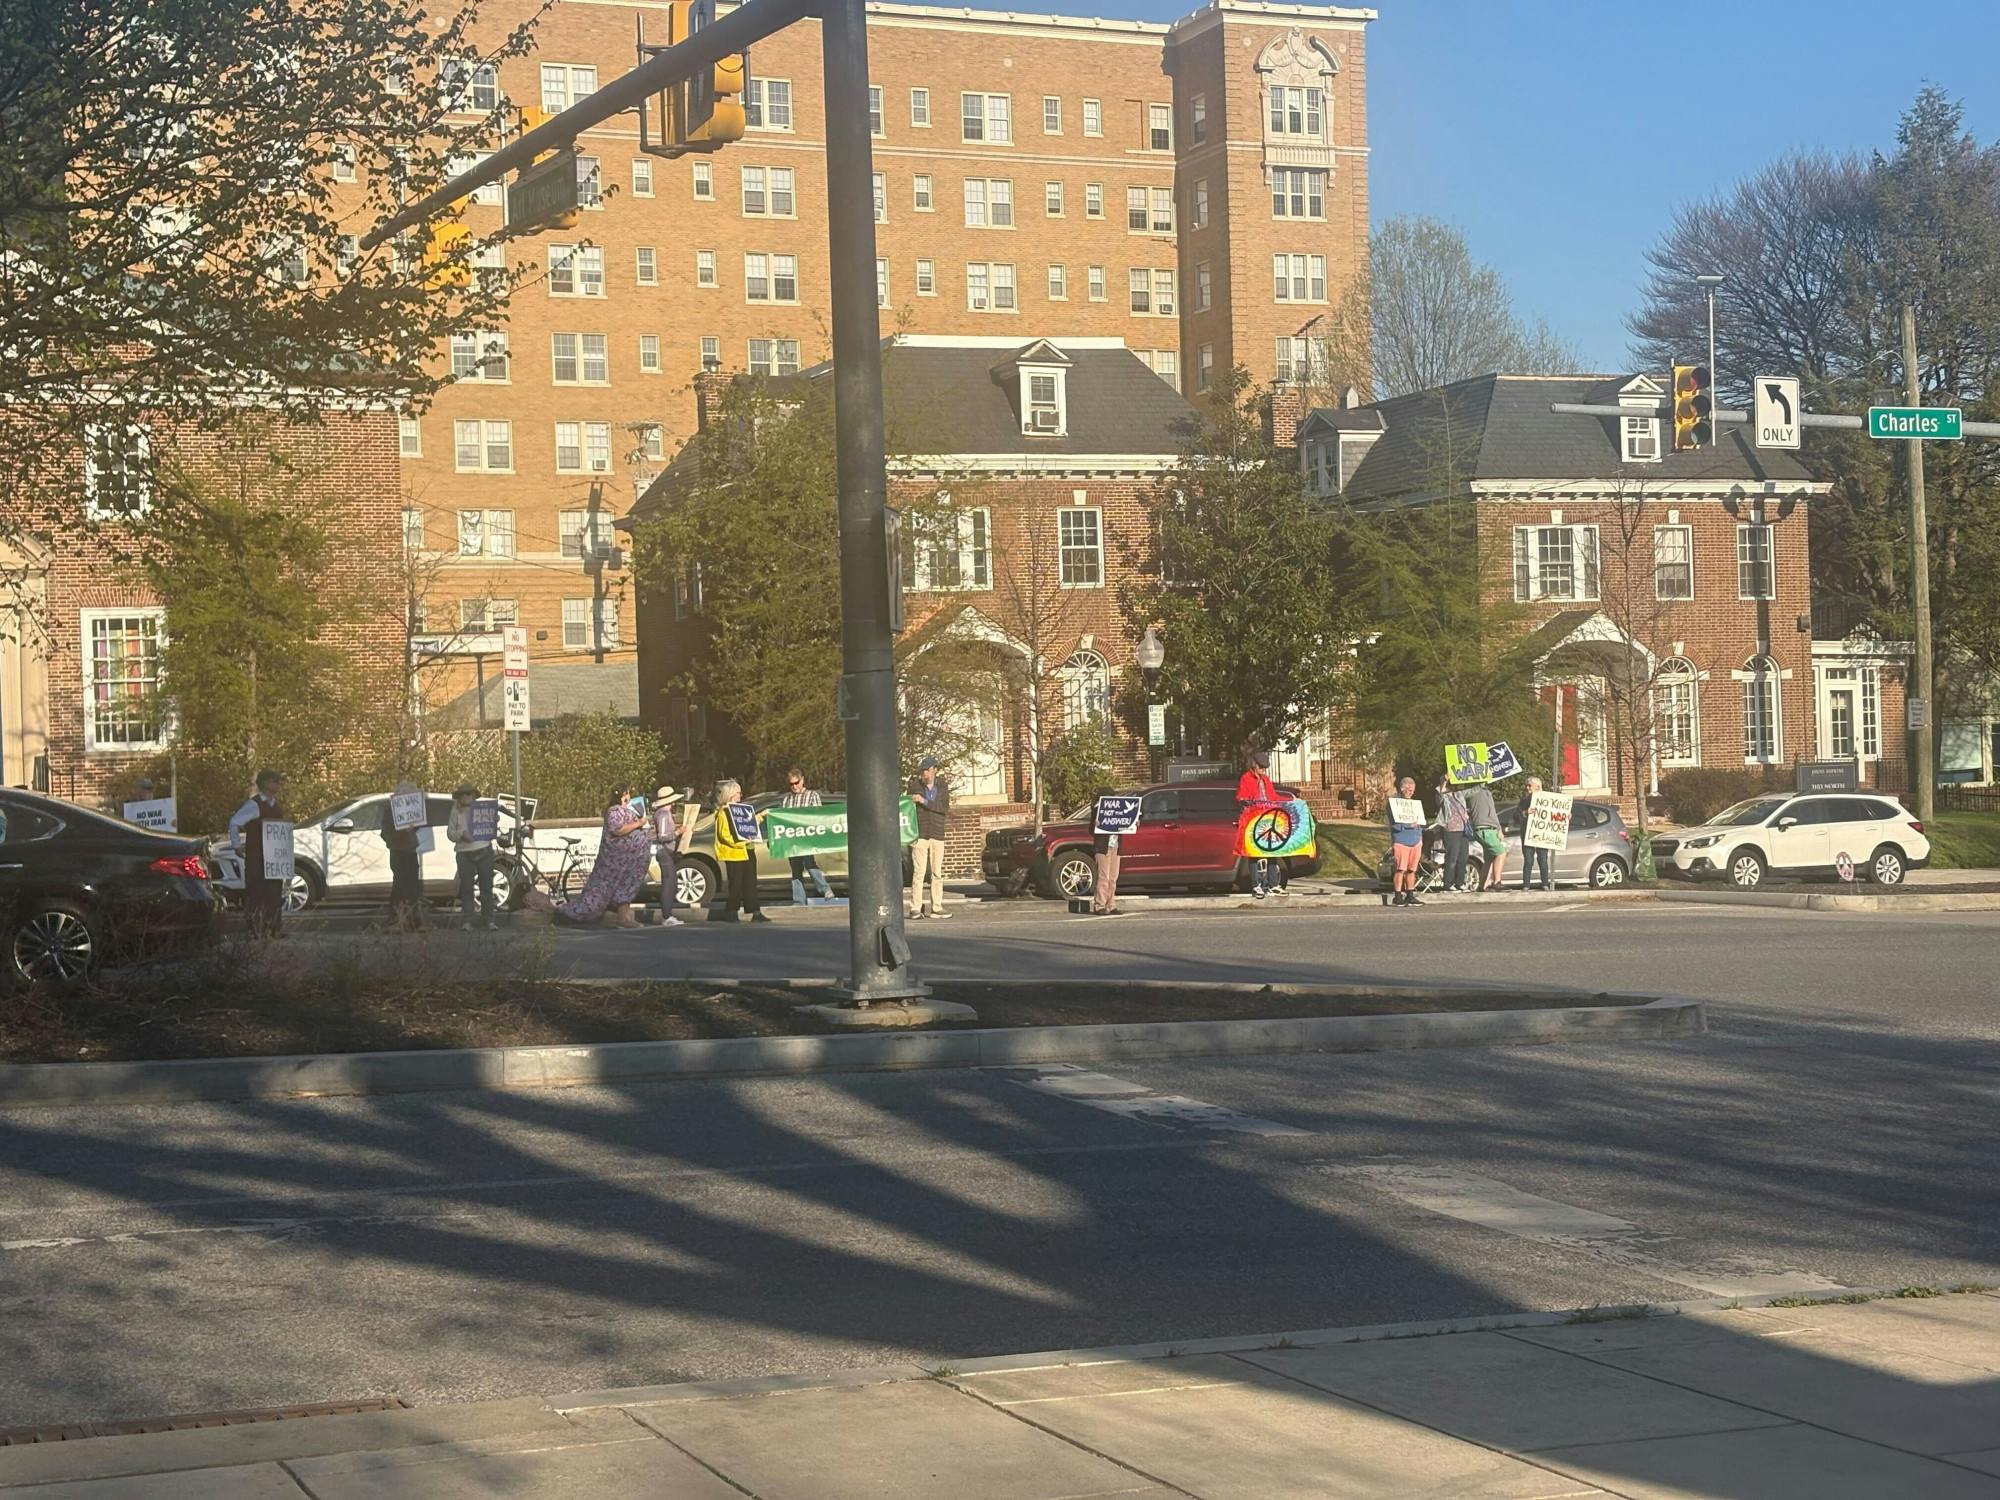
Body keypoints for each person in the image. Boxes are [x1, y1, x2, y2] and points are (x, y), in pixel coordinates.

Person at [536, 787, 652, 927]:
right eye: (627, 793)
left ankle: (625, 918)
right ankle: (567, 913)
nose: (629, 796)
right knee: (600, 895)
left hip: (628, 862)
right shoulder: (614, 811)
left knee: (625, 890)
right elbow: (618, 829)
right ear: (623, 795)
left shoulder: (626, 810)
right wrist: (639, 823)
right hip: (615, 863)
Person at [228, 769, 289, 938]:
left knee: (274, 892)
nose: (277, 785)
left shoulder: (276, 806)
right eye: (274, 781)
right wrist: (236, 845)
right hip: (257, 856)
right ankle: (254, 930)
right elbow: (234, 822)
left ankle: (274, 928)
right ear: (264, 784)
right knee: (256, 892)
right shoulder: (254, 805)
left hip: (273, 859)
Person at [712, 778, 771, 923]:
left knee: (750, 883)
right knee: (736, 884)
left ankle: (755, 911)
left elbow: (748, 824)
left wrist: (761, 816)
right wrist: (740, 843)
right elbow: (724, 835)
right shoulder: (723, 813)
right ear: (731, 794)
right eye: (738, 792)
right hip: (734, 854)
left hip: (748, 851)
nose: (741, 795)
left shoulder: (741, 809)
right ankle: (731, 911)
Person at [1235, 750, 1290, 899]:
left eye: (1265, 768)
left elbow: (1273, 796)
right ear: (1254, 765)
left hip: (1267, 819)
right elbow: (1241, 796)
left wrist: (1289, 801)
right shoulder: (1246, 778)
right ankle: (1257, 885)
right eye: (1261, 767)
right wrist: (1246, 801)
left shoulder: (1265, 779)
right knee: (1254, 854)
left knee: (1272, 852)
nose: (1263, 770)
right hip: (1254, 819)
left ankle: (1273, 885)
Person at [779, 767, 835, 905]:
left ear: (802, 780)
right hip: (792, 839)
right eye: (791, 784)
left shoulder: (812, 796)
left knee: (809, 863)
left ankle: (825, 888)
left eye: (796, 782)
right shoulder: (786, 799)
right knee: (796, 869)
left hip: (808, 837)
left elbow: (818, 816)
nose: (794, 786)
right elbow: (781, 819)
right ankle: (799, 900)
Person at [447, 782, 499, 929]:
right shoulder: (455, 811)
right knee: (467, 888)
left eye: (468, 794)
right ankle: (468, 920)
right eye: (462, 794)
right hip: (464, 853)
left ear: (474, 795)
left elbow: (491, 829)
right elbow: (450, 833)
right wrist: (462, 835)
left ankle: (489, 920)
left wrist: (493, 822)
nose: (466, 796)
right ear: (459, 797)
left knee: (486, 887)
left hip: (483, 849)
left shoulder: (483, 809)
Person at [380, 780, 428, 932]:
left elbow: (419, 823)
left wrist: (414, 827)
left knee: (412, 886)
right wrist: (401, 832)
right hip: (398, 850)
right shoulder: (390, 809)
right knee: (400, 885)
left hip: (410, 849)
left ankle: (414, 921)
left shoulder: (412, 807)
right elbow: (385, 832)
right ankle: (396, 920)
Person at [907, 757, 951, 919]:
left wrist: (924, 801)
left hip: (937, 834)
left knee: (936, 872)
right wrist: (914, 800)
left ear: (934, 770)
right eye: (923, 771)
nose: (925, 774)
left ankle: (937, 907)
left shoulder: (942, 787)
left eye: (927, 770)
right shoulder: (914, 786)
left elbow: (943, 808)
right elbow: (908, 808)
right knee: (918, 872)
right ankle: (915, 907)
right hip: (920, 834)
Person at [1385, 775, 1426, 908]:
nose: (1410, 791)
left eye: (1412, 789)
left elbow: (1420, 822)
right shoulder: (1394, 803)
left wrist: (1420, 838)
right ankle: (1397, 896)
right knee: (1400, 869)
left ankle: (1410, 894)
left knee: (1412, 870)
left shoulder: (1414, 805)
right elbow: (1395, 824)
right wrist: (1408, 825)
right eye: (1408, 788)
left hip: (1415, 841)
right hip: (1401, 840)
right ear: (1402, 788)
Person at [650, 785, 686, 927]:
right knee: (669, 882)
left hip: (664, 851)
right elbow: (663, 836)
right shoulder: (664, 814)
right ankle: (667, 915)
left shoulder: (662, 814)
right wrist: (678, 832)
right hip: (664, 851)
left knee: (671, 881)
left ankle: (668, 914)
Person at [1089, 788, 1124, 917]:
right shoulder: (1097, 809)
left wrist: (1133, 823)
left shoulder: (1118, 810)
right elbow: (1091, 830)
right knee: (1104, 876)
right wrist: (1096, 824)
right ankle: (1100, 905)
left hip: (1115, 846)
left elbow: (1124, 823)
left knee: (1113, 877)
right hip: (1102, 847)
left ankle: (1111, 904)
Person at [1467, 779, 1507, 891]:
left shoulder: (1487, 792)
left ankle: (1482, 885)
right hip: (1485, 829)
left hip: (1490, 828)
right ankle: (1497, 881)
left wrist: (1498, 828)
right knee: (1501, 852)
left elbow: (1493, 812)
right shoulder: (1473, 791)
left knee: (1489, 858)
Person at [1517, 775, 1554, 892]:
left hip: (1541, 833)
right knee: (1528, 860)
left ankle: (1545, 884)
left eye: (1530, 785)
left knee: (1542, 860)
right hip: (1528, 835)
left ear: (1538, 787)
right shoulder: (1524, 801)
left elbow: (1556, 813)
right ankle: (1526, 885)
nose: (1527, 787)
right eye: (1527, 785)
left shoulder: (1548, 800)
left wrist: (1565, 816)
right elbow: (1516, 816)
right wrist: (1525, 812)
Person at [1437, 776, 1472, 894]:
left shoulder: (1459, 795)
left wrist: (1484, 782)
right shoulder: (1442, 794)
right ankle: (1448, 883)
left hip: (1463, 830)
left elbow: (1472, 791)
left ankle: (1460, 882)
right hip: (1451, 830)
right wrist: (1444, 779)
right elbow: (1441, 792)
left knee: (1463, 857)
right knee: (1452, 857)